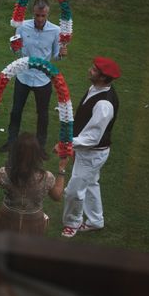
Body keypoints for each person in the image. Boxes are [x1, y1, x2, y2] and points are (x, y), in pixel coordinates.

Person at [0, 0, 67, 158]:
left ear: (48, 14)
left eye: (43, 16)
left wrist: (62, 55)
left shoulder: (55, 31)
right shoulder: (22, 27)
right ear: (33, 13)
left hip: (43, 79)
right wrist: (13, 47)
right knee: (16, 110)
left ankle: (40, 147)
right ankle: (11, 141)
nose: (40, 19)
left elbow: (56, 56)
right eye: (37, 15)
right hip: (23, 76)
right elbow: (16, 50)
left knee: (42, 114)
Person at [61, 57, 121, 238]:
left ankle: (72, 223)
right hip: (91, 152)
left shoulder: (104, 104)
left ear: (103, 78)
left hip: (92, 153)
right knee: (91, 184)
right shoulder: (97, 88)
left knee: (74, 190)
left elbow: (93, 137)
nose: (90, 70)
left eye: (94, 70)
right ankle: (95, 220)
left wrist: (68, 143)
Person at [0, 133, 67, 235]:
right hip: (33, 225)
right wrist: (62, 169)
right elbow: (57, 196)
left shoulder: (5, 173)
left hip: (6, 221)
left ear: (15, 152)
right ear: (37, 154)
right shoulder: (46, 177)